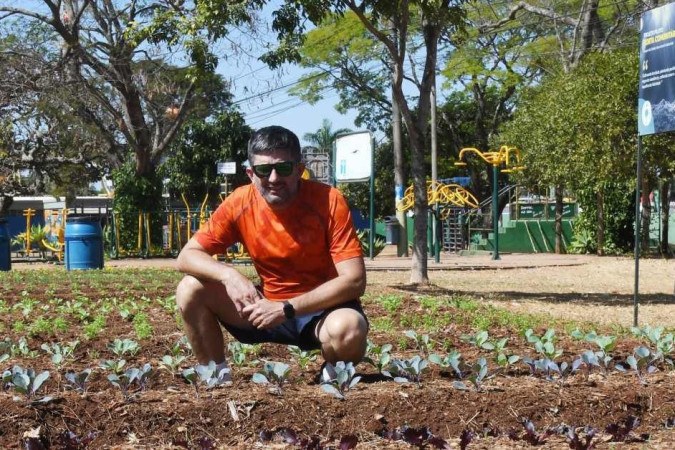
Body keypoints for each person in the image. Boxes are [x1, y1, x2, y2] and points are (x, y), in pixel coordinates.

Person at [175, 125, 369, 379]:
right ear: (250, 173)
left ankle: (334, 375)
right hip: (263, 308)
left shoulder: (329, 200)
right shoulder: (239, 202)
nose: (274, 178)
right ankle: (214, 375)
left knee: (350, 328)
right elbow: (187, 256)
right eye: (263, 170)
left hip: (322, 311)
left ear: (300, 170)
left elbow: (354, 280)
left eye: (284, 168)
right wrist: (229, 276)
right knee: (190, 288)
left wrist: (287, 308)